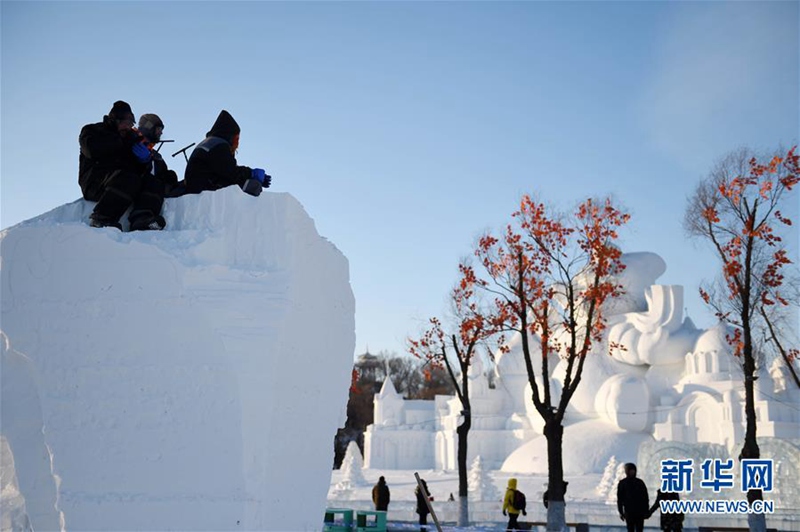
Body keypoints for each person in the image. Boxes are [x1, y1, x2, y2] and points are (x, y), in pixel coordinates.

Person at [78, 100, 168, 231]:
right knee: (128, 178)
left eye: (131, 124)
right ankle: (102, 218)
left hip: (121, 182)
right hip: (94, 182)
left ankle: (142, 218)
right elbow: (91, 149)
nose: (128, 127)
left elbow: (138, 169)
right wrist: (123, 142)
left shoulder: (129, 137)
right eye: (126, 123)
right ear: (115, 120)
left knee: (152, 181)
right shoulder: (93, 130)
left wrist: (145, 161)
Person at [182, 110, 271, 197]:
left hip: (199, 184)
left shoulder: (211, 142)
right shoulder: (219, 145)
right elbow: (231, 172)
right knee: (252, 186)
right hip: (201, 189)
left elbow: (224, 169)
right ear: (230, 135)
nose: (238, 143)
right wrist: (251, 173)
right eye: (237, 138)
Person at [136, 113, 179, 197]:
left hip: (155, 195)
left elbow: (164, 174)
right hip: (136, 192)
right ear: (149, 128)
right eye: (158, 129)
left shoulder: (156, 156)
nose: (161, 132)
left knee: (171, 175)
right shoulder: (131, 144)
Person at [617, 463, 650, 532]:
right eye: (630, 471)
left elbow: (645, 498)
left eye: (633, 471)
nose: (632, 472)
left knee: (639, 530)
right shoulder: (623, 483)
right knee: (630, 529)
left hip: (639, 512)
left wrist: (646, 510)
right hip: (629, 512)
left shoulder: (640, 483)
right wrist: (621, 512)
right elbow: (620, 499)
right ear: (626, 471)